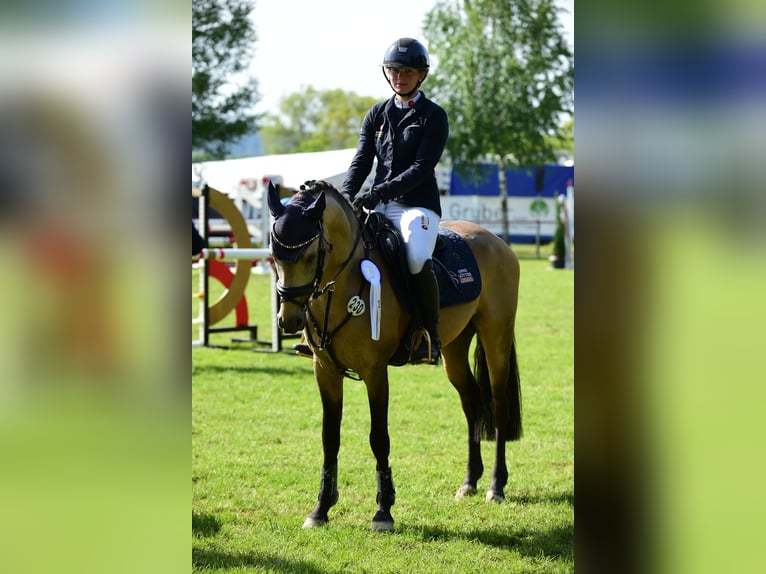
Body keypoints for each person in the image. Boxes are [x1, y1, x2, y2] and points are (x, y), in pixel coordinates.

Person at [341, 37, 449, 365]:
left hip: (417, 206)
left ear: (421, 75)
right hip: (379, 205)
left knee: (415, 256)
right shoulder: (377, 115)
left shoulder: (434, 116)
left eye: (407, 71)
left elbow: (420, 169)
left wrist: (376, 194)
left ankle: (429, 334)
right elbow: (361, 161)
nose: (399, 76)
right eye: (393, 70)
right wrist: (347, 198)